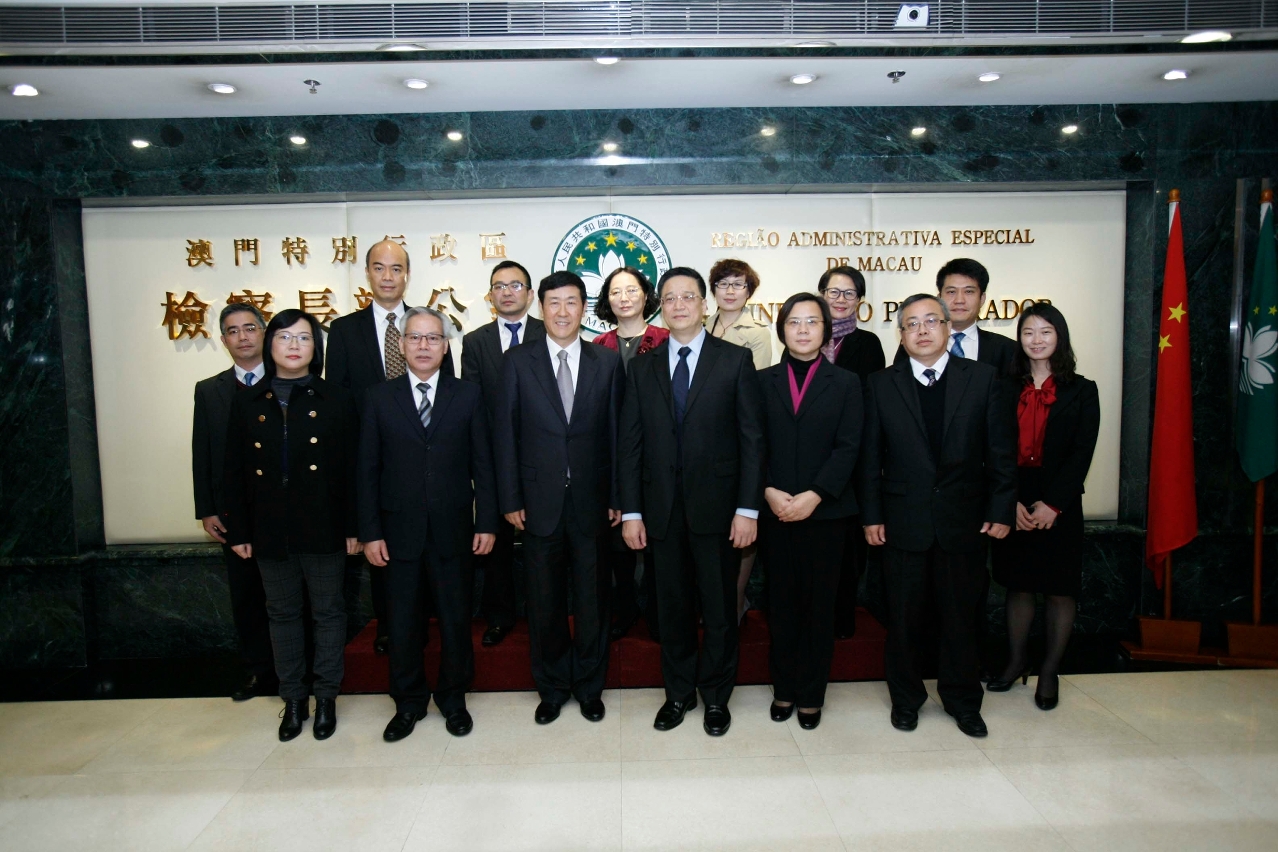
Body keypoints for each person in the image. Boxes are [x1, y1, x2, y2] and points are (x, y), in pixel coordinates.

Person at [860, 294, 1016, 739]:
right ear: (902, 335)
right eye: (912, 324)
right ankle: (906, 700)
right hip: (902, 519)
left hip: (965, 521)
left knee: (961, 618)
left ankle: (963, 701)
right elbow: (870, 458)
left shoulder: (983, 378)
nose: (923, 330)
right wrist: (871, 515)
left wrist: (1001, 509)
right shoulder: (880, 384)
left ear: (949, 328)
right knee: (903, 619)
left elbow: (1000, 452)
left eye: (932, 321)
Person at [620, 267, 765, 737]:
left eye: (688, 296)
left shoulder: (735, 360)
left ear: (704, 303)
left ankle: (717, 698)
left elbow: (751, 441)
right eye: (670, 297)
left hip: (720, 512)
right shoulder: (643, 367)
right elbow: (632, 444)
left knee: (721, 608)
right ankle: (678, 693)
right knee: (673, 609)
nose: (679, 304)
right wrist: (633, 511)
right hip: (660, 512)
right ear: (660, 306)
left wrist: (747, 509)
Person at [358, 307, 498, 741]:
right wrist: (370, 531)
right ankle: (408, 702)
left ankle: (453, 699)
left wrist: (488, 522)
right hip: (396, 534)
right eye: (415, 338)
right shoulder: (380, 397)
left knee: (456, 619)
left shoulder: (468, 394)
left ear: (445, 345)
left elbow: (484, 465)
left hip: (454, 530)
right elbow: (367, 470)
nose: (423, 346)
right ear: (401, 345)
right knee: (401, 623)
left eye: (433, 338)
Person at [493, 271, 625, 725]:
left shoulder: (605, 363)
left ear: (583, 308)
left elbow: (616, 435)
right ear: (540, 307)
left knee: (592, 602)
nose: (563, 312)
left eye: (572, 303)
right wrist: (509, 498)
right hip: (536, 503)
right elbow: (505, 436)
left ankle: (590, 687)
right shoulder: (516, 362)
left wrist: (616, 495)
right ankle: (550, 689)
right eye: (554, 303)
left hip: (592, 502)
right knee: (544, 602)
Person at [224, 309, 360, 742]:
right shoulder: (248, 402)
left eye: (304, 338)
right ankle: (293, 700)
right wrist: (240, 532)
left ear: (315, 348)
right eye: (285, 338)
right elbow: (234, 473)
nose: (294, 346)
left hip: (323, 524)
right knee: (281, 614)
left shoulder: (337, 399)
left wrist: (356, 526)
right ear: (271, 346)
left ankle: (326, 697)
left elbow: (354, 472)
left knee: (328, 612)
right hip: (269, 529)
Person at [326, 240, 453, 655]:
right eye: (379, 268)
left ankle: (429, 622)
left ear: (407, 275)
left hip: (431, 467)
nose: (387, 276)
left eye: (395, 269)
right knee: (385, 557)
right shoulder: (345, 330)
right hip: (377, 463)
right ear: (367, 274)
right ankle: (388, 626)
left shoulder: (427, 327)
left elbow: (447, 393)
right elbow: (340, 406)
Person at [987, 304, 1099, 711]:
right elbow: (995, 448)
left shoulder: (1083, 390)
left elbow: (1082, 453)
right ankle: (1015, 661)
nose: (1036, 340)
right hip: (1013, 493)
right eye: (1028, 332)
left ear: (1060, 337)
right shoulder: (1003, 386)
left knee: (1058, 588)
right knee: (1018, 584)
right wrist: (1010, 499)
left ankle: (1049, 671)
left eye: (1045, 332)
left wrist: (1054, 504)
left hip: (1060, 499)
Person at [761, 293, 863, 731]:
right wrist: (767, 489)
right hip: (775, 510)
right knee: (780, 605)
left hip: (825, 514)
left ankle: (811, 694)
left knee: (818, 608)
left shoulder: (847, 383)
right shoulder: (760, 381)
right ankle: (783, 688)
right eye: (794, 322)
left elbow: (850, 446)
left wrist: (816, 493)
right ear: (781, 328)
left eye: (812, 322)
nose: (803, 330)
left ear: (825, 330)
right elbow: (751, 443)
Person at [192, 303, 276, 702]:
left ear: (264, 332)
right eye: (232, 331)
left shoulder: (291, 381)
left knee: (291, 594)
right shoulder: (210, 390)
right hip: (233, 513)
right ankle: (259, 671)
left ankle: (298, 668)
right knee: (246, 595)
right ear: (223, 339)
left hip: (283, 508)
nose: (242, 337)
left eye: (249, 328)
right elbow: (201, 452)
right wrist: (206, 508)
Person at [460, 259, 545, 648]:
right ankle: (499, 615)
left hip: (544, 460)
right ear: (490, 295)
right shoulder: (475, 341)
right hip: (495, 458)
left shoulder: (551, 332)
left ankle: (544, 612)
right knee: (495, 542)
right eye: (499, 285)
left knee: (544, 539)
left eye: (516, 285)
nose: (507, 291)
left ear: (530, 294)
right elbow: (475, 404)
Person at [592, 266, 669, 642]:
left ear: (646, 296)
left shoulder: (667, 340)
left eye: (631, 290)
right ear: (607, 301)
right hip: (610, 459)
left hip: (657, 458)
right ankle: (623, 608)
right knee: (616, 545)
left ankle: (657, 610)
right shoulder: (596, 348)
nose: (624, 298)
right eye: (615, 292)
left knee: (657, 541)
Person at [817, 266, 886, 640]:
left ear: (859, 300)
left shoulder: (868, 344)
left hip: (852, 462)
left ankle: (840, 623)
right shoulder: (805, 339)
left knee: (847, 551)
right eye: (833, 292)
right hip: (809, 464)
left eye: (848, 293)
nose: (840, 300)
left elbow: (867, 405)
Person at [705, 258, 772, 623]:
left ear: (749, 292)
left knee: (741, 529)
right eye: (723, 284)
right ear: (713, 290)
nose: (730, 291)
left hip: (737, 442)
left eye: (739, 285)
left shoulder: (758, 333)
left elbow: (754, 396)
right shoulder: (701, 326)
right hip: (703, 444)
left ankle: (736, 600)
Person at [894, 258, 1018, 373]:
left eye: (969, 291)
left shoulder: (1007, 349)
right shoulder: (916, 342)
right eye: (951, 292)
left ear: (982, 299)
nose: (959, 300)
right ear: (939, 299)